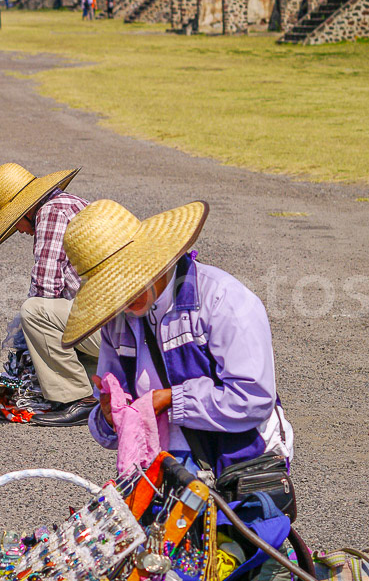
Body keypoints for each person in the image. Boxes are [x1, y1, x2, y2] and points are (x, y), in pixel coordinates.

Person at [60, 199, 294, 475]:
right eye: (112, 291)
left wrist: (171, 400)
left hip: (239, 466)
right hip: (163, 472)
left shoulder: (222, 300)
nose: (123, 299)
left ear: (152, 258)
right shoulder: (116, 321)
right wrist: (112, 417)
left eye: (130, 280)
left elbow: (252, 399)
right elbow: (113, 420)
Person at [0, 164, 102, 426]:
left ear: (26, 210)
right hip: (124, 321)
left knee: (34, 312)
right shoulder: (69, 204)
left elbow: (45, 290)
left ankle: (78, 400)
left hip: (111, 324)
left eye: (16, 224)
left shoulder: (51, 213)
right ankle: (95, 393)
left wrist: (25, 350)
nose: (22, 232)